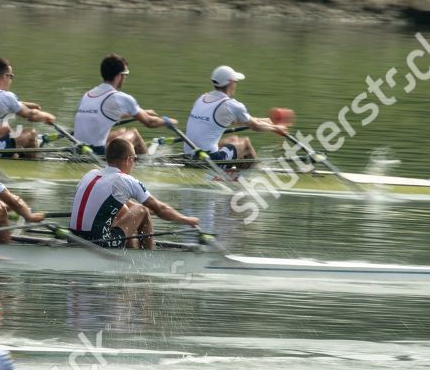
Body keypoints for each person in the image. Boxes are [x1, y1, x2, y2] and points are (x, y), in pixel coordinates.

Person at [70, 138, 199, 249]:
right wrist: (186, 220)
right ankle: (147, 259)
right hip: (99, 243)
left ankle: (131, 249)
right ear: (127, 160)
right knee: (142, 210)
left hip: (73, 239)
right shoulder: (125, 180)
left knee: (126, 212)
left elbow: (127, 208)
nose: (135, 163)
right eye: (134, 159)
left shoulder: (91, 174)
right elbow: (160, 209)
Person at [184, 65, 289, 163]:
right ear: (230, 83)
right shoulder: (231, 105)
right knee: (246, 143)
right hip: (208, 159)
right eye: (236, 82)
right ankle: (256, 173)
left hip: (189, 154)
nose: (236, 85)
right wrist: (276, 129)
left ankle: (239, 170)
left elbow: (238, 121)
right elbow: (255, 126)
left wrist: (268, 121)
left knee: (233, 139)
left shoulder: (202, 98)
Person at [72, 54, 172, 156]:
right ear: (120, 75)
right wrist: (168, 121)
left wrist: (143, 112)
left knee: (121, 132)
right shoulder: (121, 98)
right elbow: (150, 122)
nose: (125, 78)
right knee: (134, 133)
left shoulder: (87, 95)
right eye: (126, 74)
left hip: (77, 149)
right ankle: (145, 164)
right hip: (97, 152)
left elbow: (103, 113)